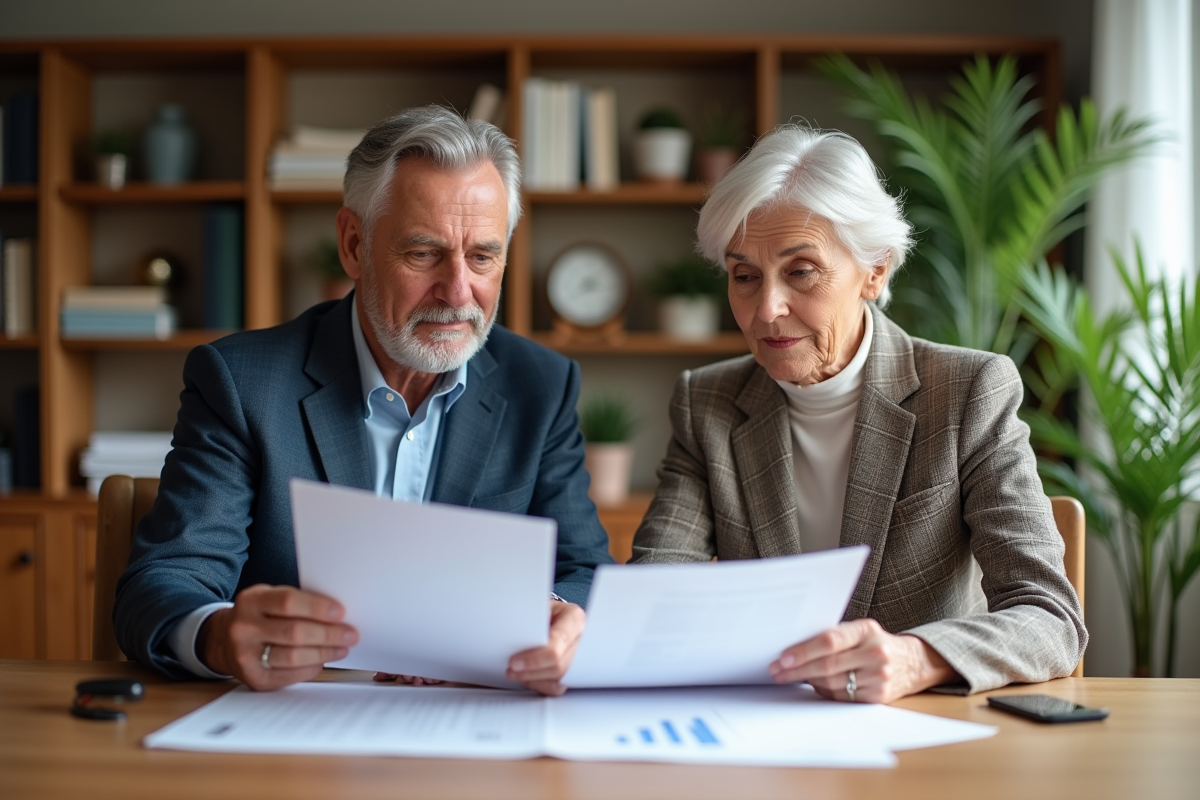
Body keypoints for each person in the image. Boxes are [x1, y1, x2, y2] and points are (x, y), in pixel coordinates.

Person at [114, 106, 613, 695]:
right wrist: (219, 636)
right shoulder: (241, 382)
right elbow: (167, 578)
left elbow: (586, 574)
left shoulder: (541, 385)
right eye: (424, 253)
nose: (458, 292)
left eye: (482, 256)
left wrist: (555, 615)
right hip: (294, 727)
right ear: (353, 244)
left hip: (476, 723)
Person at [630, 124, 1087, 703]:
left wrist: (917, 658)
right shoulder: (707, 402)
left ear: (875, 271)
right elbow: (656, 594)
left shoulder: (968, 391)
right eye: (744, 276)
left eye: (800, 271)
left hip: (926, 739)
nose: (767, 309)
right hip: (764, 734)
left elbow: (1049, 618)